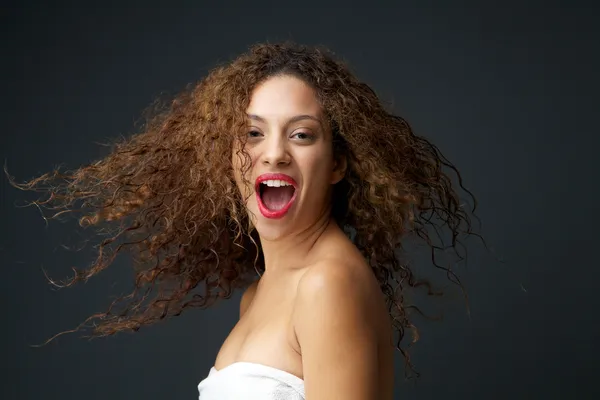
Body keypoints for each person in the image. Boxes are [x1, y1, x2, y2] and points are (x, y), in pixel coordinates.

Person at [11, 42, 479, 399]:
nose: (273, 152)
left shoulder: (327, 285)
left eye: (301, 134)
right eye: (253, 133)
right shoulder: (261, 293)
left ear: (337, 164)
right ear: (229, 156)